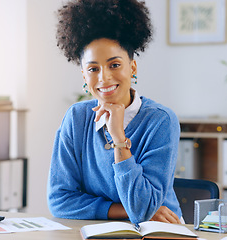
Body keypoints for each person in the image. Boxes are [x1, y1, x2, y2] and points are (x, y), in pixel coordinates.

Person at [47, 0, 183, 225]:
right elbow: (59, 200)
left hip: (160, 230)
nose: (104, 77)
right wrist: (123, 211)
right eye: (93, 69)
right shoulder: (76, 118)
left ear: (132, 67)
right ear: (84, 76)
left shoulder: (161, 121)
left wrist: (119, 139)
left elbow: (142, 208)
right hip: (100, 232)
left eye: (114, 65)